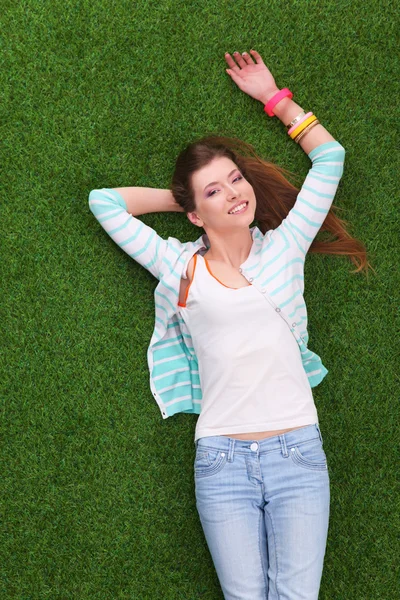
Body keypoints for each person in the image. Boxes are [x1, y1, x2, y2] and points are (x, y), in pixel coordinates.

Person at [89, 49, 371, 600]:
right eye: (214, 191)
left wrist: (276, 99)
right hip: (221, 462)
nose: (235, 192)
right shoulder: (178, 265)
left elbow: (329, 157)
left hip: (298, 455)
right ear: (194, 212)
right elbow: (105, 203)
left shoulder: (286, 247)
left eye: (235, 179)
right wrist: (185, 201)